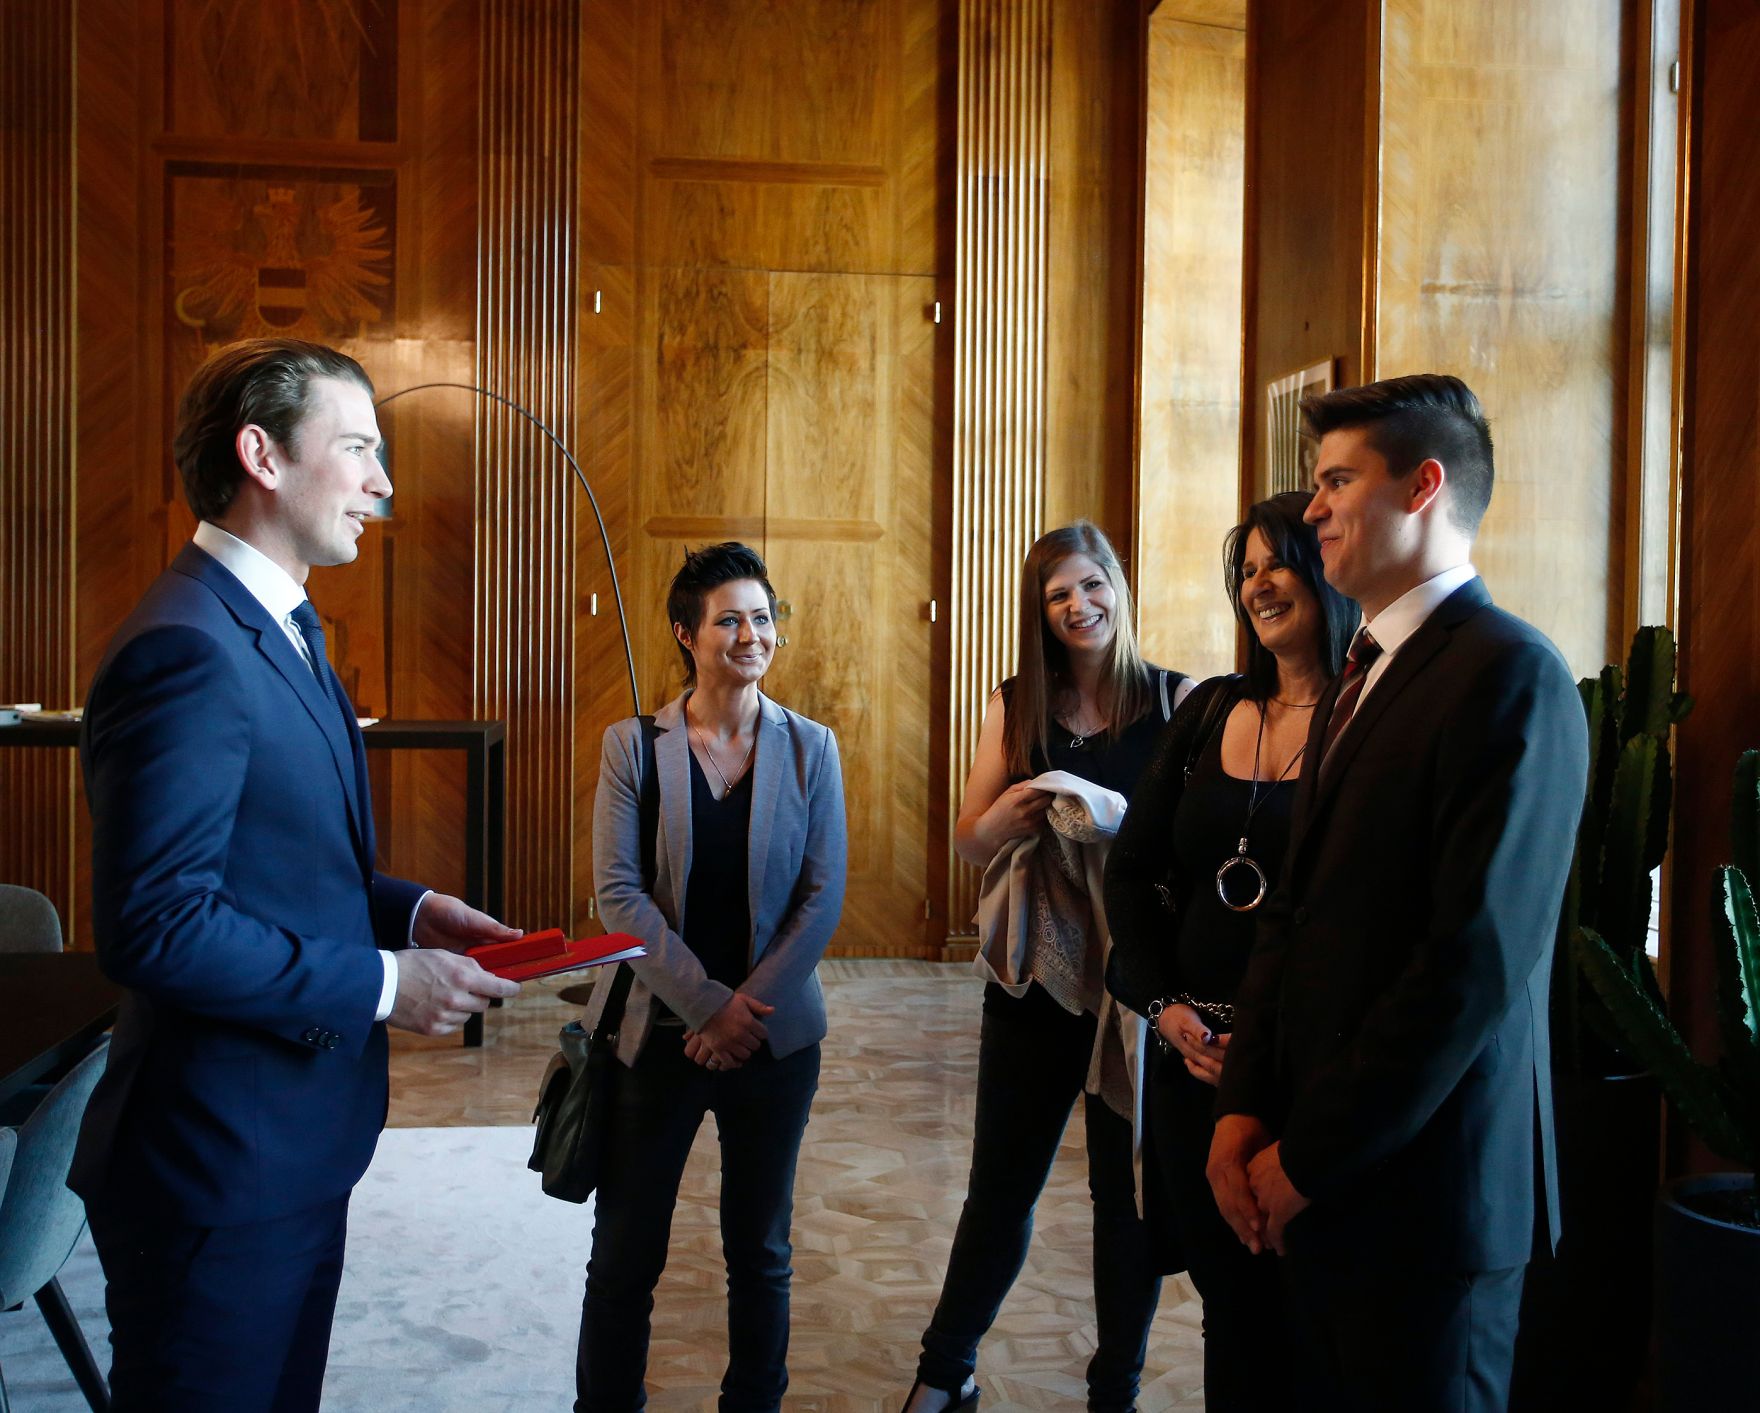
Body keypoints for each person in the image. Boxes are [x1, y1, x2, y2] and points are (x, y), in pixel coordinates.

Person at [72, 338, 524, 1411]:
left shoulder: (283, 623)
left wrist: (413, 913)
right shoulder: (185, 645)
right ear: (262, 457)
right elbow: (158, 926)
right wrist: (385, 984)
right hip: (215, 1163)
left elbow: (279, 865)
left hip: (290, 1145)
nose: (383, 482)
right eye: (359, 448)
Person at [1205, 375, 1591, 1411]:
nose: (1313, 509)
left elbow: (1469, 965)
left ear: (1422, 487)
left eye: (1337, 481)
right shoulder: (1361, 670)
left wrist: (1310, 1156)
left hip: (1431, 1204)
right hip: (1317, 1181)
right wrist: (1243, 1106)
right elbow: (1291, 915)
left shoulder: (1511, 674)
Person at [905, 521, 1191, 1413]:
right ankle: (943, 1373)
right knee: (1000, 1189)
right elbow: (969, 839)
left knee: (1124, 1196)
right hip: (1036, 981)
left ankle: (1117, 1390)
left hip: (1137, 988)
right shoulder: (1017, 703)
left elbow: (1193, 844)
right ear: (1041, 611)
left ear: (1118, 587)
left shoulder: (1182, 701)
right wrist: (1011, 813)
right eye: (1059, 593)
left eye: (1092, 584)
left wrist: (1114, 815)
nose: (1079, 604)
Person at [575, 542, 847, 1412]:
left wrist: (742, 1014)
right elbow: (618, 895)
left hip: (773, 1041)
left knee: (761, 1254)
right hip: (655, 1035)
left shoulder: (812, 747)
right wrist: (706, 1008)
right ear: (687, 634)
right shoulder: (634, 746)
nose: (751, 634)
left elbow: (823, 895)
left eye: (762, 617)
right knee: (625, 1255)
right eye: (729, 619)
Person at [1104, 491, 1354, 1410]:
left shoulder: (1366, 716)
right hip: (1191, 1063)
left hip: (1302, 1071)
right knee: (1227, 1298)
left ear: (1327, 569)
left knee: (1304, 1301)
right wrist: (1162, 1004)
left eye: (1278, 561)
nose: (1259, 584)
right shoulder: (1210, 709)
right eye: (1246, 570)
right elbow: (1132, 870)